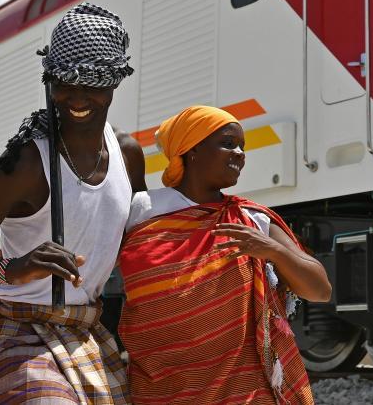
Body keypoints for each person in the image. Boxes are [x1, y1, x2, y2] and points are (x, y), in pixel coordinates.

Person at [0, 2, 147, 404]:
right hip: (16, 332)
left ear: (115, 81)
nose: (77, 96)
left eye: (92, 83)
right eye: (64, 82)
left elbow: (144, 241)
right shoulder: (24, 165)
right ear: (49, 79)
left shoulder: (127, 155)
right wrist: (14, 268)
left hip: (85, 332)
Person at [118, 106, 331, 404]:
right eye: (229, 144)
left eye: (242, 146)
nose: (240, 154)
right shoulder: (142, 210)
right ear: (192, 149)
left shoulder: (251, 219)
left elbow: (320, 290)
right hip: (160, 389)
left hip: (244, 390)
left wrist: (273, 250)